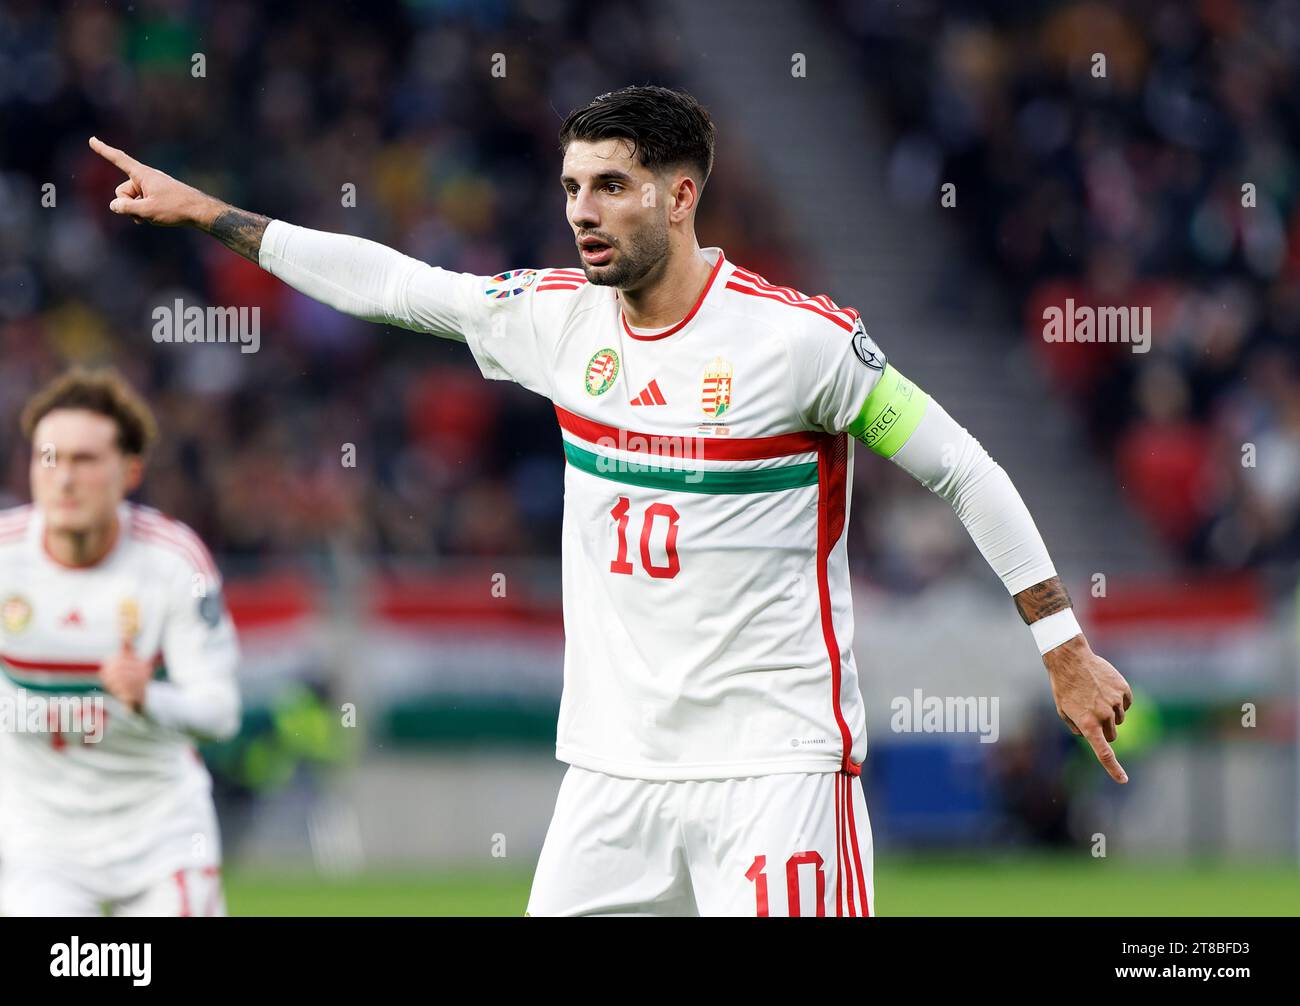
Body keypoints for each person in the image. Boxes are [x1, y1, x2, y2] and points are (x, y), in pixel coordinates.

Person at [88, 84, 1131, 917]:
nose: (583, 210)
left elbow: (961, 466)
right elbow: (398, 283)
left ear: (679, 197)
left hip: (775, 766)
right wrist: (213, 216)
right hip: (612, 768)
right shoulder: (555, 321)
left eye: (612, 186)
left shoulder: (797, 343)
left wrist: (1062, 643)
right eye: (573, 185)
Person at [0, 369, 241, 916]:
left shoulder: (174, 562)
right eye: (48, 458)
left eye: (85, 460)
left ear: (129, 471)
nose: (63, 480)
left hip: (160, 835)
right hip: (42, 843)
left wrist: (146, 696)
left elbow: (220, 714)